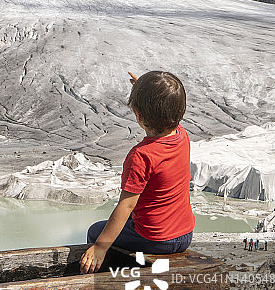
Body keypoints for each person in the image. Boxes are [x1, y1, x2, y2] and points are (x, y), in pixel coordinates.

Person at [80, 71, 195, 274]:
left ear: (139, 116)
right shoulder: (182, 136)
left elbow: (126, 205)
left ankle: (112, 280)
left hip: (156, 239)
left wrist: (100, 247)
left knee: (95, 231)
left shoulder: (141, 156)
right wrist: (143, 88)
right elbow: (166, 107)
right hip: (185, 235)